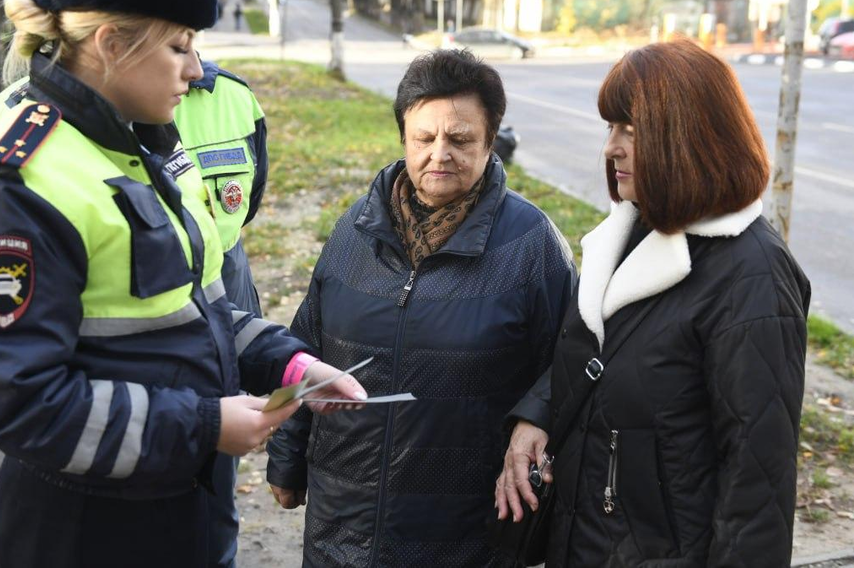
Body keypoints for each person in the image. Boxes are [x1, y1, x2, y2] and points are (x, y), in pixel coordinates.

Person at [0, 0, 366, 568]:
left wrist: (287, 365)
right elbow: (22, 404)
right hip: (89, 531)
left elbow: (188, 305)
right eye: (179, 46)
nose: (196, 70)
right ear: (110, 43)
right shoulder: (18, 186)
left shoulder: (139, 142)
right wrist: (205, 426)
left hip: (176, 506)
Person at [496, 39, 810, 567]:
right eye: (611, 128)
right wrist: (537, 415)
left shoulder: (752, 275)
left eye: (631, 131)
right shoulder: (629, 233)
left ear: (687, 138)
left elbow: (757, 480)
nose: (610, 148)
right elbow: (604, 351)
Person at [266, 49, 577, 567]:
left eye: (460, 139)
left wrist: (534, 421)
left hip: (462, 534)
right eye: (424, 138)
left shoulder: (530, 245)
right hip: (341, 525)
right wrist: (285, 457)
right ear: (403, 137)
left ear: (490, 140)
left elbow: (568, 365)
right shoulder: (356, 230)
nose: (440, 154)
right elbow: (307, 348)